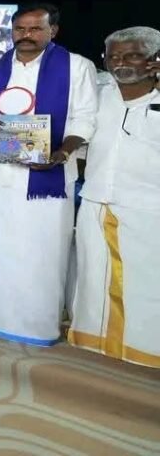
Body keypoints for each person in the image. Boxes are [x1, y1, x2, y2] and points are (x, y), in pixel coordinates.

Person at [0, 4, 97, 345]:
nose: (26, 35)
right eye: (19, 29)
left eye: (35, 29)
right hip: (0, 175)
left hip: (49, 179)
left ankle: (38, 324)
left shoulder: (77, 67)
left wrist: (61, 152)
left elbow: (85, 119)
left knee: (43, 252)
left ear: (53, 31)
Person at [69, 26, 160, 367]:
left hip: (148, 209)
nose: (121, 63)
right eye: (114, 56)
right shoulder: (97, 95)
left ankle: (145, 351)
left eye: (133, 55)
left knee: (147, 283)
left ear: (154, 60)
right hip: (95, 202)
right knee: (94, 276)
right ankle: (95, 344)